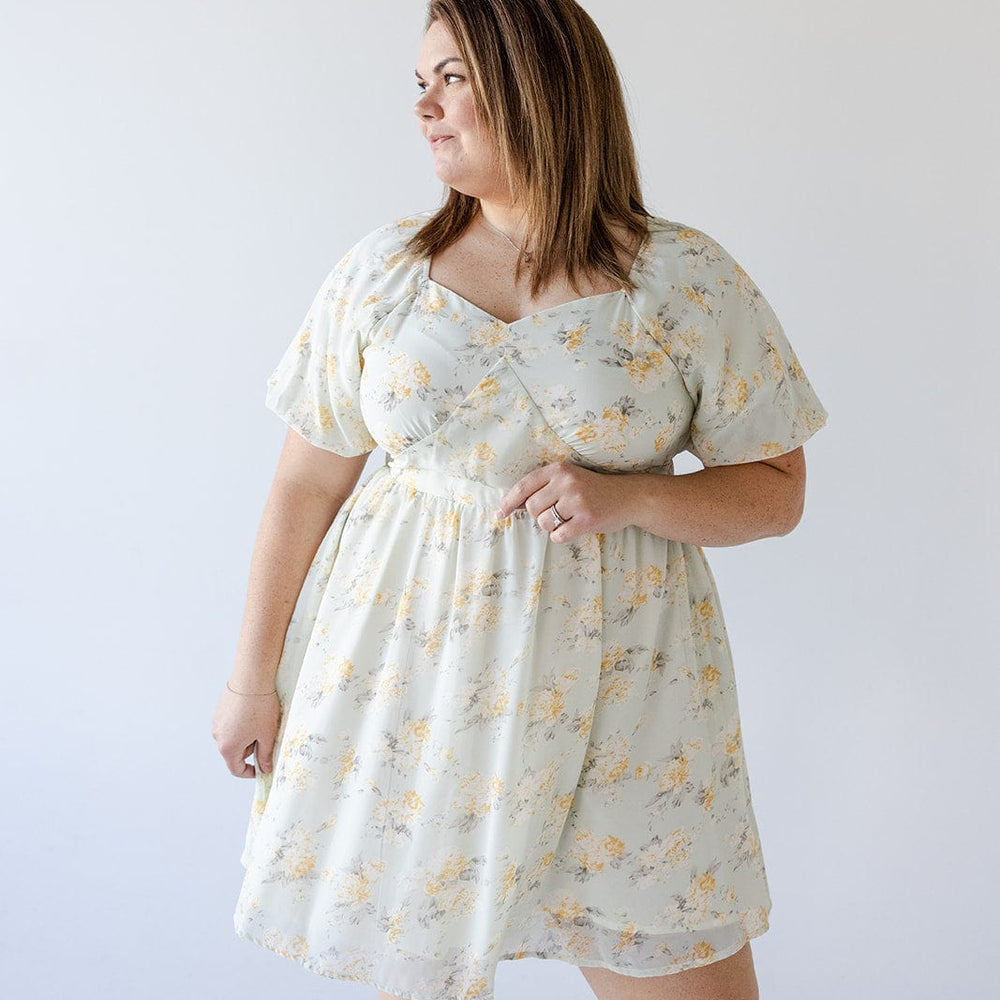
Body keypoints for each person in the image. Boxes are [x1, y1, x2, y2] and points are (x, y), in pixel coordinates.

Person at [211, 2, 828, 998]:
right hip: (408, 678)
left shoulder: (681, 281)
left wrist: (628, 498)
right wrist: (250, 678)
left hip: (626, 693)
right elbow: (304, 480)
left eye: (451, 77)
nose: (424, 104)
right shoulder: (385, 274)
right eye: (420, 81)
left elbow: (775, 493)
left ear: (536, 82)